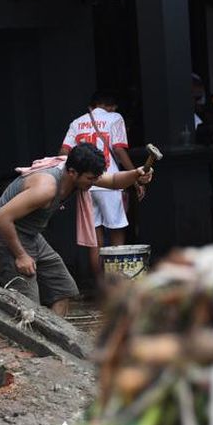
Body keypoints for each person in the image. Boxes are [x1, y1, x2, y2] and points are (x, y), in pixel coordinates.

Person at [0, 144, 153, 316]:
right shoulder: (46, 188)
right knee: (27, 307)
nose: (94, 182)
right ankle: (27, 339)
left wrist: (136, 174)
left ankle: (52, 339)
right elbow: (1, 218)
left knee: (63, 289)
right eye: (90, 179)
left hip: (30, 234)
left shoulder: (78, 173)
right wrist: (21, 256)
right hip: (5, 234)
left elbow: (113, 181)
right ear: (73, 173)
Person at [59, 91, 141, 285]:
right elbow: (119, 150)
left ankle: (100, 288)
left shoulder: (77, 122)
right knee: (117, 233)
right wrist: (135, 177)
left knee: (95, 239)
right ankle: (116, 287)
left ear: (92, 106)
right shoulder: (115, 118)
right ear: (111, 106)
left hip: (85, 185)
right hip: (109, 181)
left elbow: (64, 152)